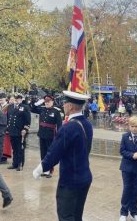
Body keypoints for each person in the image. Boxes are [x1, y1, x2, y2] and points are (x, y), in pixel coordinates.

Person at [33, 91, 93, 221]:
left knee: (65, 216)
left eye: (65, 103)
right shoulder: (87, 124)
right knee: (77, 215)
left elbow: (54, 153)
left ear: (70, 106)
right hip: (84, 176)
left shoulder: (68, 128)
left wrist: (40, 169)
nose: (63, 106)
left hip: (70, 180)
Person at [119, 116, 137, 221]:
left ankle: (134, 212)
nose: (134, 129)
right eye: (132, 126)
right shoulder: (125, 136)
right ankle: (123, 212)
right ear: (129, 126)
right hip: (126, 168)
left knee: (136, 190)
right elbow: (122, 151)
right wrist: (132, 155)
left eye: (136, 126)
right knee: (127, 189)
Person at [30, 95, 62, 178]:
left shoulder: (56, 111)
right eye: (45, 102)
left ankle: (50, 170)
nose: (47, 103)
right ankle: (44, 169)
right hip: (42, 134)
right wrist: (37, 103)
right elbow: (32, 109)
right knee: (43, 152)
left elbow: (59, 124)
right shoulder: (42, 109)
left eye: (48, 102)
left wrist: (59, 135)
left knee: (50, 153)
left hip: (51, 135)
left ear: (52, 102)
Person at [7, 94, 31, 171]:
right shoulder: (10, 107)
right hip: (12, 131)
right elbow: (8, 118)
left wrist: (25, 129)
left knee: (20, 148)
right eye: (16, 98)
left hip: (20, 131)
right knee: (14, 148)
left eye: (19, 98)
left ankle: (20, 164)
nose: (17, 100)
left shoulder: (24, 107)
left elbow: (28, 120)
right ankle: (14, 163)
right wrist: (8, 128)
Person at [0, 93, 12, 164]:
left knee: (5, 143)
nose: (1, 99)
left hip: (5, 127)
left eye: (2, 98)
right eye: (0, 98)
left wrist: (8, 127)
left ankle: (4, 158)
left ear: (5, 98)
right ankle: (0, 156)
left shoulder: (9, 107)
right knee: (0, 143)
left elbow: (10, 118)